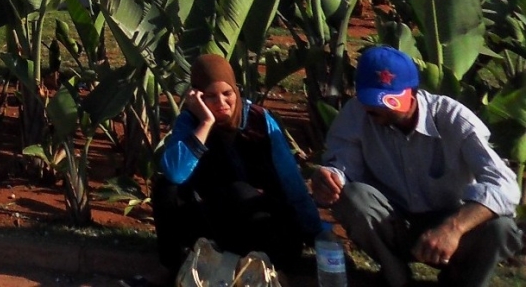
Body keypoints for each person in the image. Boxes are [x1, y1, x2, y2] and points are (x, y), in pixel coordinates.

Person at [311, 45, 522, 287]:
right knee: (352, 196)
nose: (376, 109)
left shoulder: (454, 118)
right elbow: (343, 165)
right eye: (370, 100)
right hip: (393, 222)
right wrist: (330, 179)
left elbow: (505, 186)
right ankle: (395, 278)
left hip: (452, 226)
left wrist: (453, 228)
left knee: (501, 228)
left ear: (412, 93)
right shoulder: (357, 113)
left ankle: (461, 280)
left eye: (387, 101)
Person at [153, 53, 320, 271]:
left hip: (266, 223)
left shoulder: (259, 120)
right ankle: (176, 268)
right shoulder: (191, 121)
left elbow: (292, 182)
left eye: (227, 93)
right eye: (211, 96)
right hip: (218, 221)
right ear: (198, 96)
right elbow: (175, 173)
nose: (221, 103)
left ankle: (265, 266)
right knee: (165, 188)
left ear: (236, 91)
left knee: (238, 192)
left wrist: (316, 233)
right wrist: (206, 123)